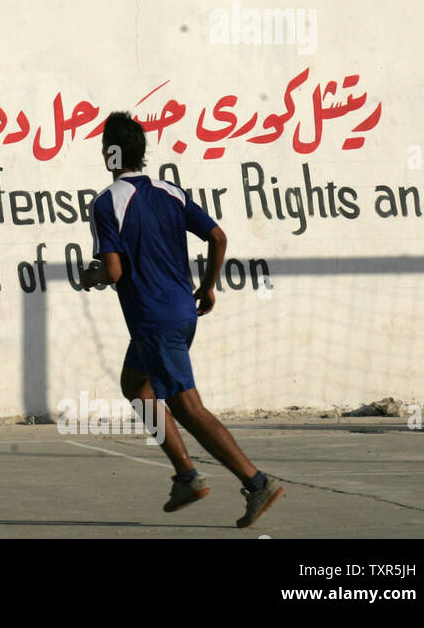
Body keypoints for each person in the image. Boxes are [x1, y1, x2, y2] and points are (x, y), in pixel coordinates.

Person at [81, 111, 284, 527]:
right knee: (135, 385)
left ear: (109, 154)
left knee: (188, 407)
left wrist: (93, 274)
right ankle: (186, 476)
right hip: (179, 312)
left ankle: (256, 481)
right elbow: (218, 236)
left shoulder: (107, 202)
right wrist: (208, 286)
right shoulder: (170, 191)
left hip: (153, 321)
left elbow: (115, 272)